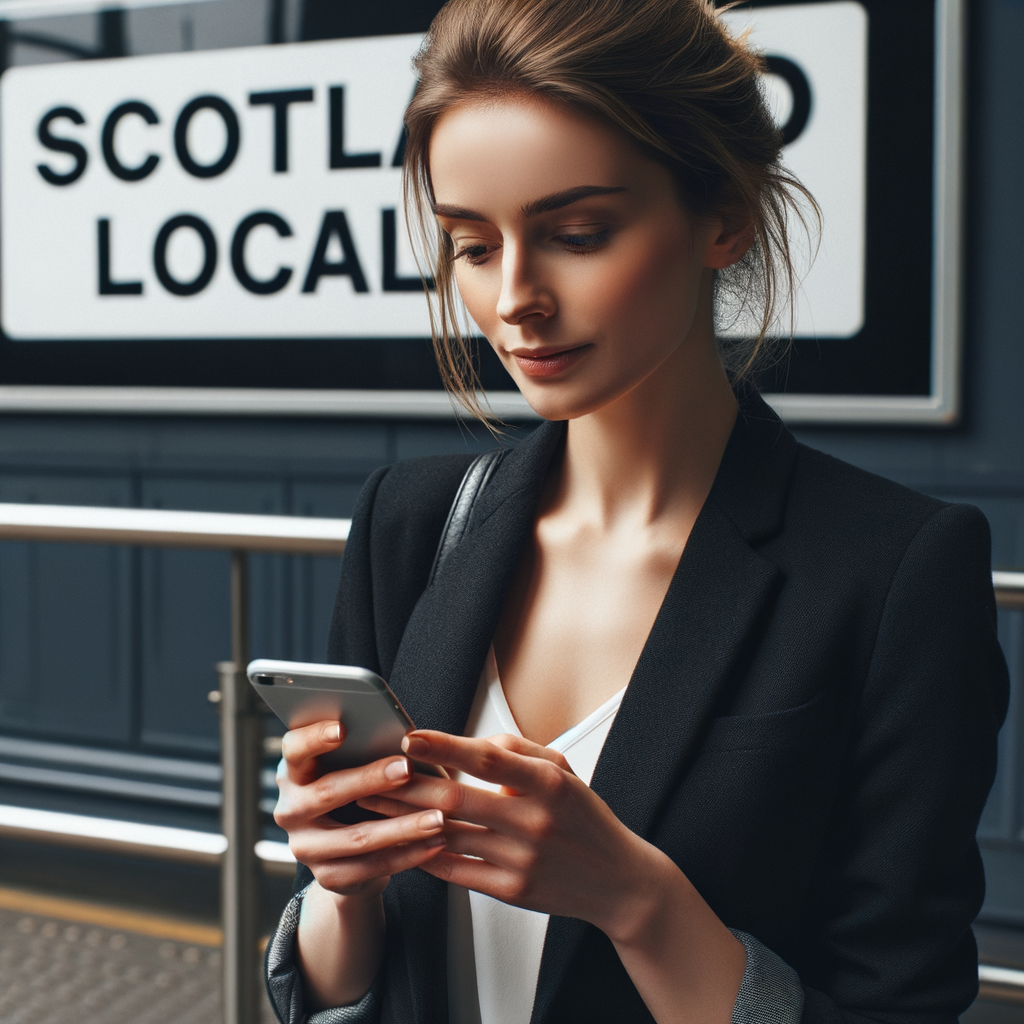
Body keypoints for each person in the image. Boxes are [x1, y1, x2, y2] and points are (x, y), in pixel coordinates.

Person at [265, 1, 1009, 1023]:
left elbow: (898, 1001)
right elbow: (343, 991)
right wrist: (340, 889)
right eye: (472, 245)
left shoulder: (892, 571)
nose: (516, 296)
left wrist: (635, 898)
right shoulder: (411, 522)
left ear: (723, 216)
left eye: (577, 233)